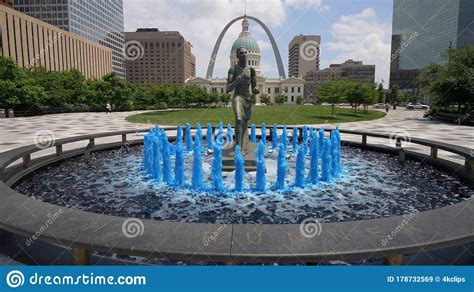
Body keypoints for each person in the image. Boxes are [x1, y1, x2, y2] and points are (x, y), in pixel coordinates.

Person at [226, 46, 259, 154]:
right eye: (241, 53)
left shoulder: (251, 70)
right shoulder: (233, 69)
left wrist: (255, 89)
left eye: (245, 53)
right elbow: (228, 89)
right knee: (239, 119)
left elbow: (254, 87)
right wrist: (237, 81)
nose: (244, 54)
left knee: (245, 122)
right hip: (238, 97)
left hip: (247, 98)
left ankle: (245, 145)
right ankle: (238, 147)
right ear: (237, 56)